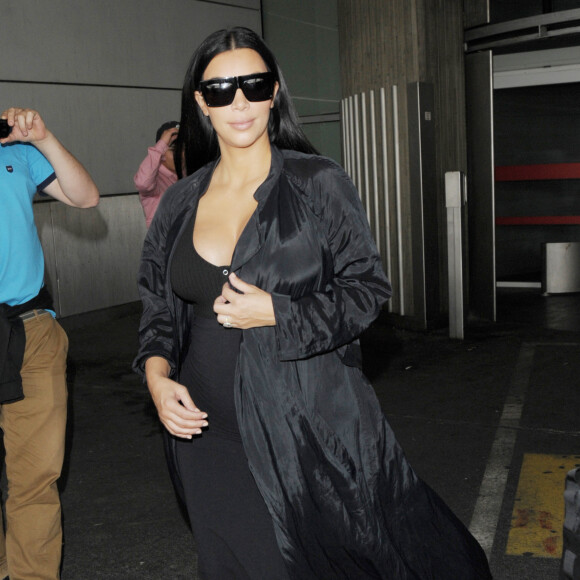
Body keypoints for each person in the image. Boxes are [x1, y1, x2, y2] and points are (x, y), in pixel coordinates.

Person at [134, 27, 492, 579]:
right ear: (201, 102)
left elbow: (367, 289)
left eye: (254, 85)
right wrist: (157, 378)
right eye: (223, 89)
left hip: (303, 430)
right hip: (203, 433)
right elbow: (158, 310)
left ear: (274, 92)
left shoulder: (316, 182)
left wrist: (278, 312)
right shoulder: (182, 199)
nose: (241, 102)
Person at [0, 107, 99, 579]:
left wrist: (44, 139)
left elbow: (85, 197)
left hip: (31, 330)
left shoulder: (17, 151)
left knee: (35, 480)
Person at [133, 121, 179, 227]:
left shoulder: (191, 176)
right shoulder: (156, 178)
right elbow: (142, 183)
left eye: (183, 148)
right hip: (165, 242)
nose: (180, 155)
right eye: (173, 149)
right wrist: (161, 145)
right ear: (161, 152)